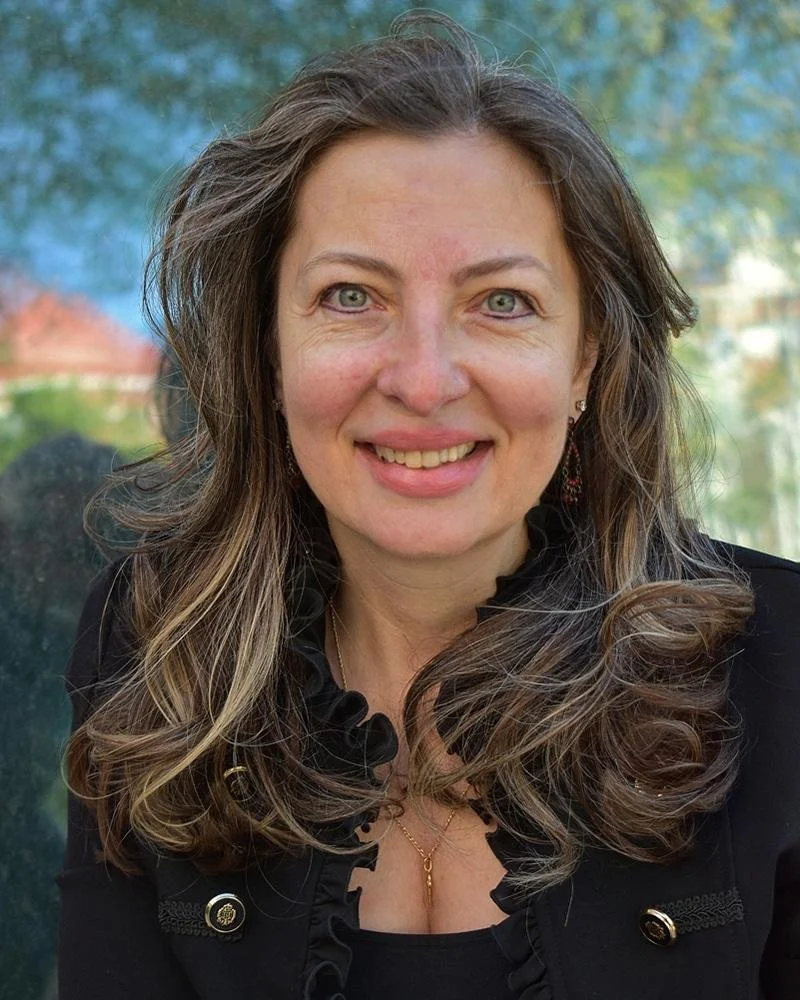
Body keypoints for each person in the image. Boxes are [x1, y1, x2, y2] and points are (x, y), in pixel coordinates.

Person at [58, 12, 799, 1000]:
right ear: (267, 355)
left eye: (500, 302)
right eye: (350, 296)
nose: (421, 379)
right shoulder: (153, 650)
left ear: (583, 360)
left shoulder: (784, 661)